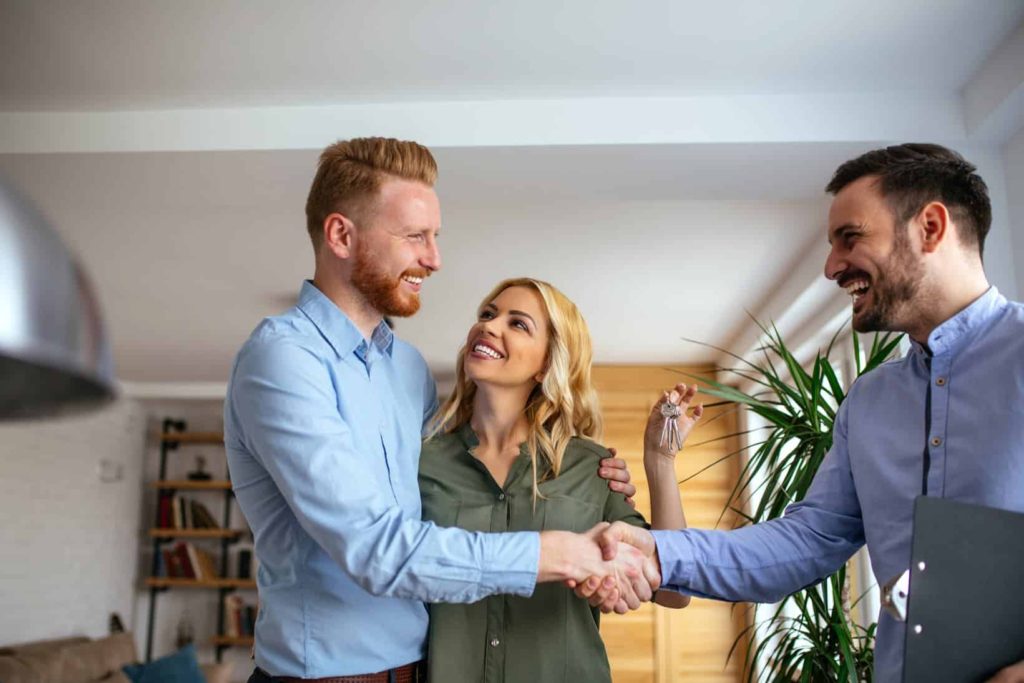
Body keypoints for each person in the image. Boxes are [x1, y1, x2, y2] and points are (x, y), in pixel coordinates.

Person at [580, 143, 1024, 683]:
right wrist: (657, 549)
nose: (832, 266)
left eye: (850, 237)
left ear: (930, 227)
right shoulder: (868, 402)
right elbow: (807, 540)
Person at [223, 137, 656, 682]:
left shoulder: (405, 369)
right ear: (341, 235)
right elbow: (374, 549)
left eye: (435, 237)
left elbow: (454, 483)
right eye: (414, 237)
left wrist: (594, 471)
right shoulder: (282, 359)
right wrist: (558, 554)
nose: (434, 258)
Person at [419, 277, 696, 682]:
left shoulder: (591, 467)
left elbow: (674, 589)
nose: (489, 326)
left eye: (518, 324)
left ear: (547, 363)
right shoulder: (423, 461)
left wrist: (660, 460)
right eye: (487, 314)